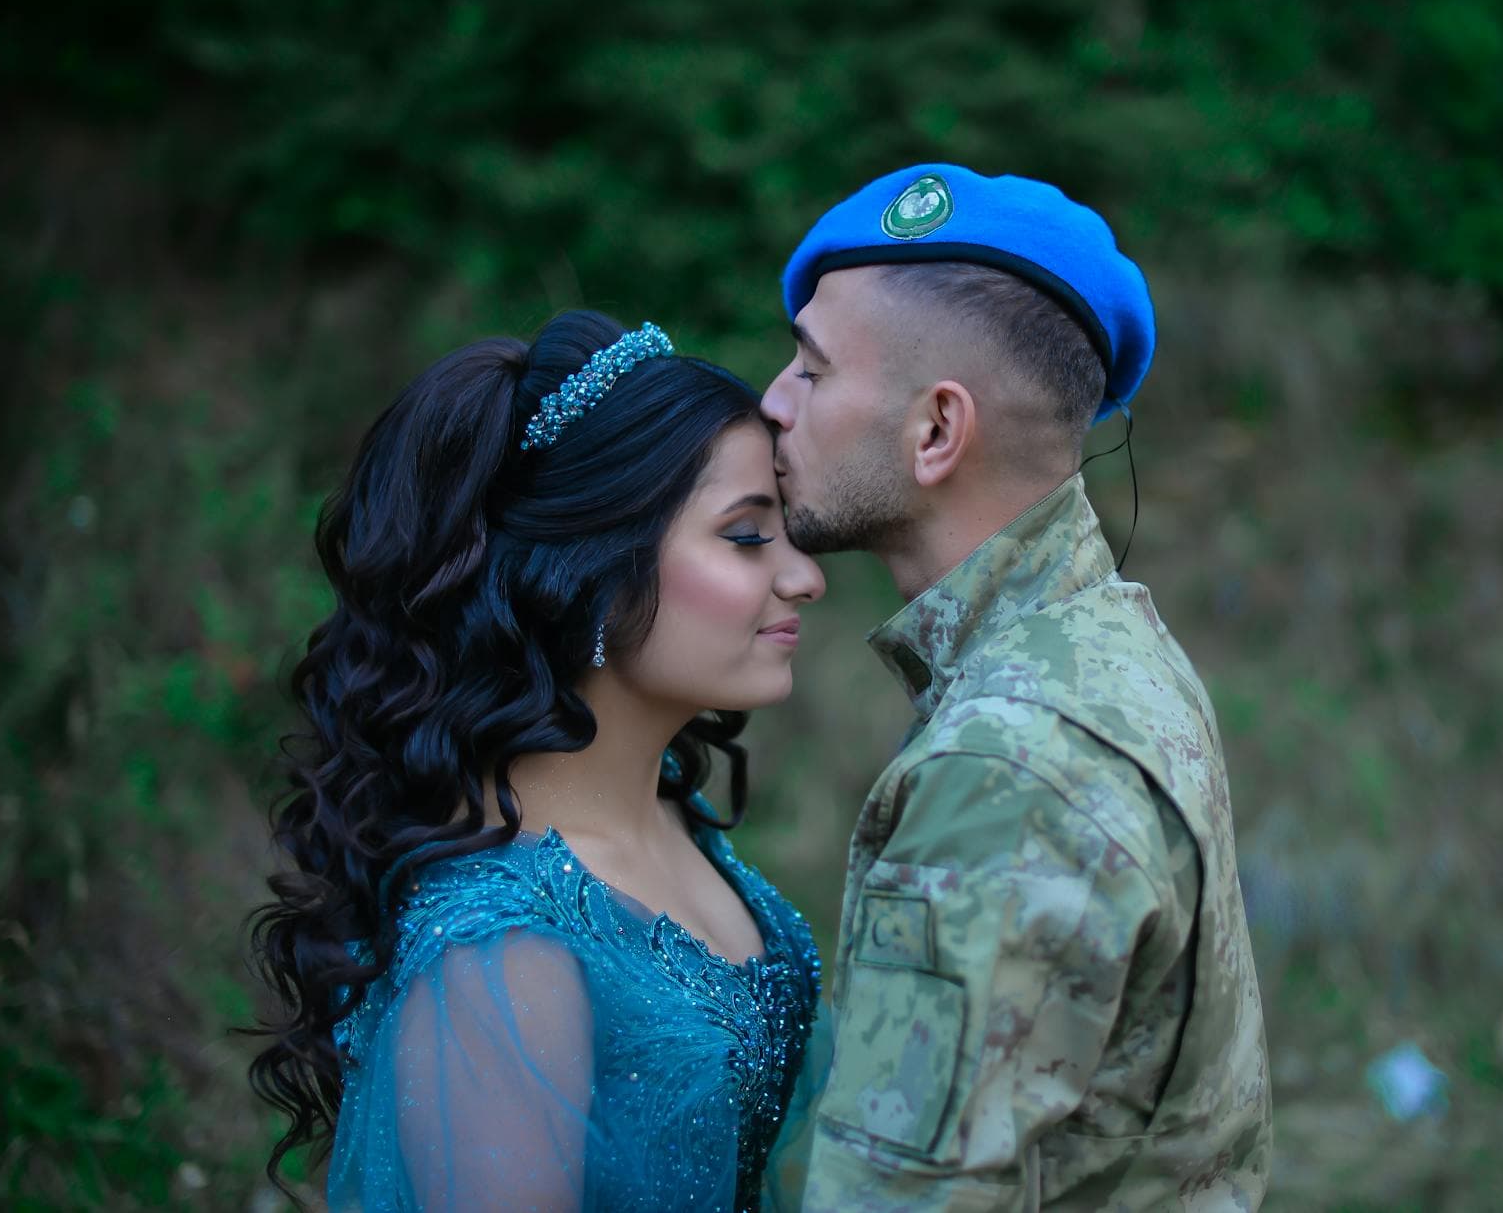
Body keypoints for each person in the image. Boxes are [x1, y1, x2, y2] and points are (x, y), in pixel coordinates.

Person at [761, 164, 1272, 1210]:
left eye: (810, 371)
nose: (770, 398)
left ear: (936, 432)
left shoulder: (1007, 766)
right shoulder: (1105, 641)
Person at [246, 310, 829, 1212]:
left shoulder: (668, 807)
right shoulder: (499, 949)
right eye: (748, 535)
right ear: (594, 567)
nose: (805, 576)